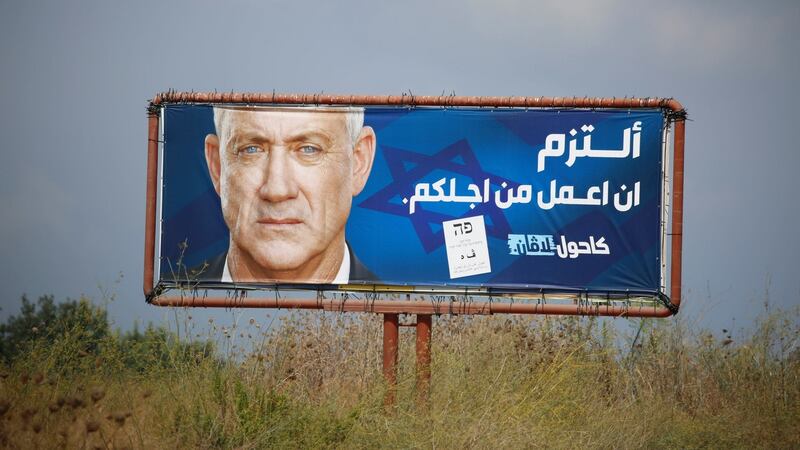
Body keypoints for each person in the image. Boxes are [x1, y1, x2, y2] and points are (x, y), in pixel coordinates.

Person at [198, 105, 377, 284]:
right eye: (250, 149)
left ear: (358, 163)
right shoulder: (172, 303)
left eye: (309, 149)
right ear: (217, 166)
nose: (277, 190)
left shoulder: (396, 309)